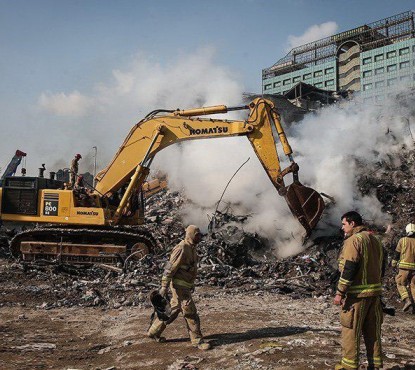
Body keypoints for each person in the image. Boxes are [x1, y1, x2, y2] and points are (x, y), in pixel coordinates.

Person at [334, 211, 384, 370]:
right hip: (375, 295)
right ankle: (374, 365)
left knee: (351, 332)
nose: (342, 228)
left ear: (352, 224)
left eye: (344, 224)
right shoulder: (375, 240)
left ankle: (349, 367)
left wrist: (340, 292)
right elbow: (382, 267)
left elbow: (349, 268)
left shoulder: (353, 241)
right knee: (372, 333)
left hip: (357, 297)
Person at [147, 225, 211, 350]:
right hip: (179, 286)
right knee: (190, 313)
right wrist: (164, 286)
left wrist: (191, 284)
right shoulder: (182, 248)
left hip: (185, 286)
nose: (199, 237)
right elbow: (170, 268)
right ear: (191, 234)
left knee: (173, 311)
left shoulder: (192, 247)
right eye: (197, 235)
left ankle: (153, 332)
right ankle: (197, 341)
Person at [392, 223, 415, 313]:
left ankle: (407, 300)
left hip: (404, 268)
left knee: (400, 283)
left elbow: (397, 253)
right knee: (414, 286)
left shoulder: (403, 240)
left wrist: (394, 262)